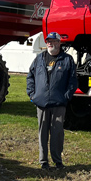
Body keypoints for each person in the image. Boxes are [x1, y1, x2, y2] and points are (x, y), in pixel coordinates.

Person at [26, 32, 77, 170]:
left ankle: (57, 161)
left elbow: (72, 81)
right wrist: (32, 94)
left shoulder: (67, 60)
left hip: (58, 103)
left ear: (59, 43)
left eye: (53, 41)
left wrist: (66, 97)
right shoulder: (39, 59)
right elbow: (30, 76)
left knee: (57, 133)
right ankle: (43, 161)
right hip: (41, 102)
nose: (49, 43)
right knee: (42, 133)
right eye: (48, 41)